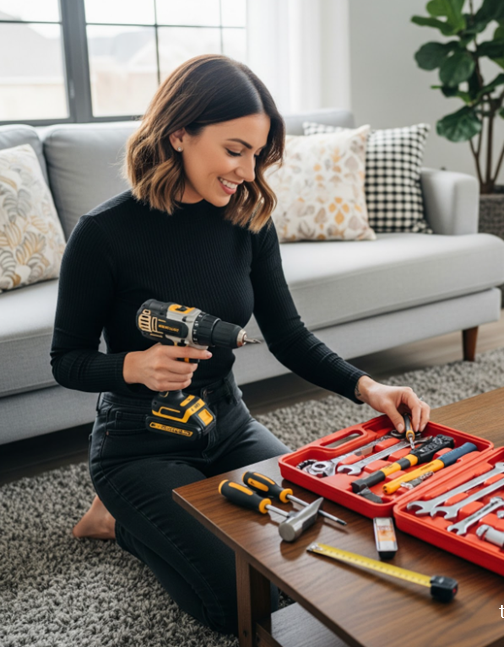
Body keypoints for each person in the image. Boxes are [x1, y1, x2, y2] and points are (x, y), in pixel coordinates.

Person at [51, 54, 431, 634]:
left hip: (227, 422)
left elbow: (288, 335)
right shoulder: (103, 233)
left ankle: (142, 517)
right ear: (179, 133)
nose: (250, 172)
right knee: (240, 606)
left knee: (309, 552)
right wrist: (134, 364)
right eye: (235, 150)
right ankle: (119, 522)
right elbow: (66, 360)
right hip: (138, 444)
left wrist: (368, 387)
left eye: (258, 154)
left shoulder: (250, 218)